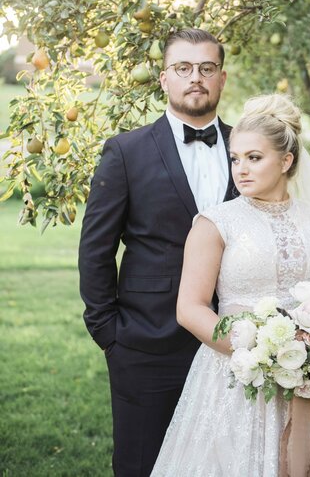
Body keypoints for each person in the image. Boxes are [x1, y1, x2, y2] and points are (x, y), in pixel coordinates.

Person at [150, 94, 310, 477]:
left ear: (286, 161)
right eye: (235, 158)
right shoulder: (215, 222)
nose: (241, 169)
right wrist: (255, 355)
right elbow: (190, 308)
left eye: (254, 157)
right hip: (237, 377)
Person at [79, 28, 235, 477]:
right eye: (183, 68)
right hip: (145, 343)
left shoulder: (250, 149)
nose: (196, 78)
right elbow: (95, 250)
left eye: (207, 68)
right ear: (164, 79)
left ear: (222, 79)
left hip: (237, 340)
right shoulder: (126, 151)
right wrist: (109, 333)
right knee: (143, 464)